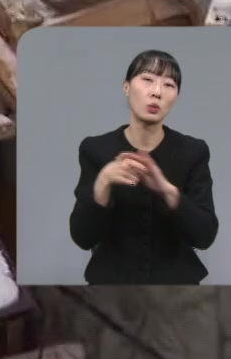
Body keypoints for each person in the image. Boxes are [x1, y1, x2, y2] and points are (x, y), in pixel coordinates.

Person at [69, 49, 219, 284]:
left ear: (176, 95)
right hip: (112, 286)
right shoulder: (95, 149)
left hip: (177, 288)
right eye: (147, 79)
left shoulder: (193, 151)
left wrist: (168, 192)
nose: (156, 92)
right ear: (127, 87)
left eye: (168, 85)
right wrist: (102, 184)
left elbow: (204, 236)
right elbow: (82, 238)